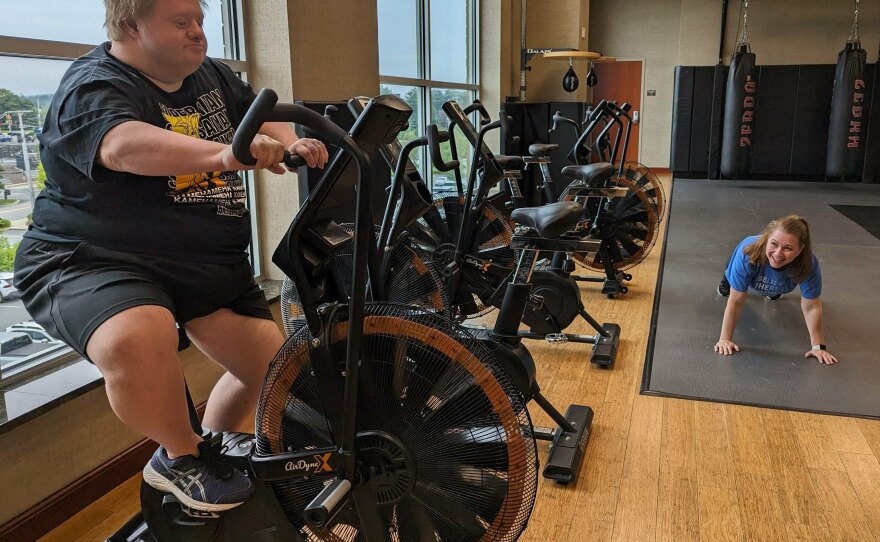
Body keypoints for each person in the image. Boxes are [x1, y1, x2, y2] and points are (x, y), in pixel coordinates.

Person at [13, 0, 329, 513]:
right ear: (130, 24)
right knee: (137, 336)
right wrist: (224, 155)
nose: (197, 33)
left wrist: (293, 144)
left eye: (200, 22)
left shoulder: (212, 76)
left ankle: (212, 450)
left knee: (276, 372)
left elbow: (264, 115)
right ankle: (179, 459)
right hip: (95, 260)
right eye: (181, 23)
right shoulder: (92, 85)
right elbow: (123, 147)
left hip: (202, 266)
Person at [714, 215, 838, 365]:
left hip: (774, 278)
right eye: (774, 244)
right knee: (730, 277)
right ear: (767, 239)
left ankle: (774, 288)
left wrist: (818, 347)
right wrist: (724, 339)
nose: (778, 253)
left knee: (773, 290)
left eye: (788, 248)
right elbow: (736, 301)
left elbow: (811, 306)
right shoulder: (747, 252)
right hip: (748, 265)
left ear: (800, 250)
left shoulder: (809, 265)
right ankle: (728, 279)